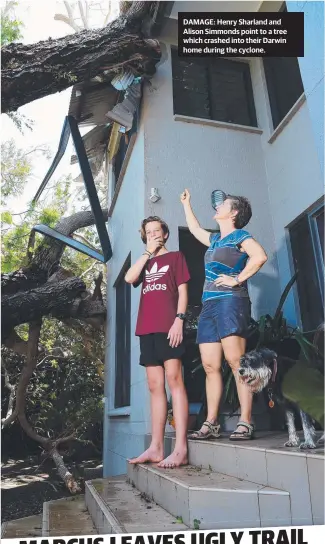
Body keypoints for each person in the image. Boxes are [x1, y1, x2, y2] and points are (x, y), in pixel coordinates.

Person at [180, 189, 267, 440]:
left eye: (223, 205)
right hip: (209, 305)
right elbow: (196, 230)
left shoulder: (240, 235)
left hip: (231, 302)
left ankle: (246, 421)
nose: (217, 207)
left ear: (234, 212)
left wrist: (237, 278)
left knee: (236, 362)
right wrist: (187, 204)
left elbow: (259, 256)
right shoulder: (217, 239)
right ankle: (211, 422)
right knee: (210, 365)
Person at [125, 216, 190, 467]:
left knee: (174, 379)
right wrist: (146, 254)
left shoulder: (176, 258)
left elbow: (183, 292)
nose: (153, 234)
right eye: (148, 232)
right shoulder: (144, 262)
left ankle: (181, 447)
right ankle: (156, 447)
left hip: (169, 326)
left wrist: (179, 320)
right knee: (154, 386)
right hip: (147, 328)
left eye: (157, 230)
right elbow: (130, 278)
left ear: (165, 233)